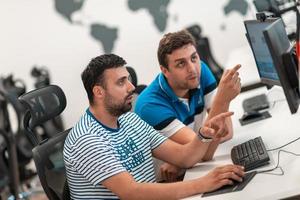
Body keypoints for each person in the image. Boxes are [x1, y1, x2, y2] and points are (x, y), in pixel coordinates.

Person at [63, 54, 244, 199]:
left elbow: (184, 158)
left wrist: (204, 135)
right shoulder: (86, 140)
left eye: (128, 79)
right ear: (98, 92)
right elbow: (131, 193)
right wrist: (203, 183)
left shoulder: (129, 121)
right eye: (121, 82)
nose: (131, 87)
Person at [135, 30, 241, 182]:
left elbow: (226, 133)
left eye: (193, 58)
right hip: (166, 184)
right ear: (165, 70)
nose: (192, 68)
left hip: (189, 168)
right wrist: (222, 99)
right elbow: (204, 153)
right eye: (181, 64)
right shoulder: (150, 105)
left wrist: (186, 160)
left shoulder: (200, 70)